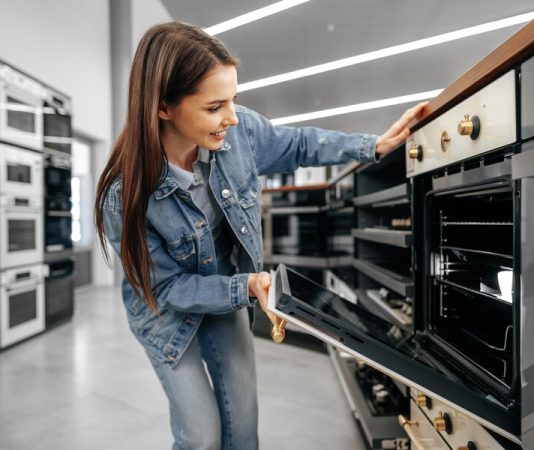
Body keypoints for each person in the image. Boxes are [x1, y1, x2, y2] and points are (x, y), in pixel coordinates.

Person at [95, 21, 426, 450]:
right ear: (164, 107)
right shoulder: (125, 195)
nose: (231, 117)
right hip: (166, 313)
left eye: (233, 100)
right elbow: (169, 288)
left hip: (226, 291)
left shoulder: (240, 132)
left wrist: (372, 147)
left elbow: (300, 144)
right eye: (215, 107)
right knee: (201, 437)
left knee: (243, 429)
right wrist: (247, 286)